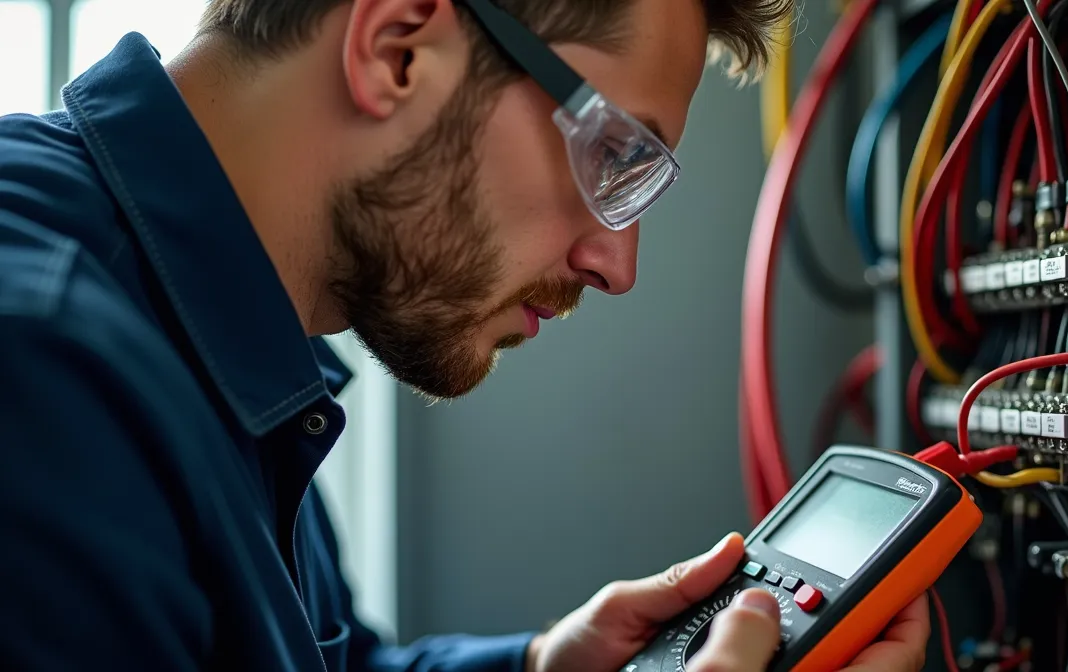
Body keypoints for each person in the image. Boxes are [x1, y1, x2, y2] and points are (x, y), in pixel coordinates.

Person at [0, 0, 932, 670]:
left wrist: (542, 669)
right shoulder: (44, 372)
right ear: (398, 49)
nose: (617, 265)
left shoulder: (222, 337)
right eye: (617, 156)